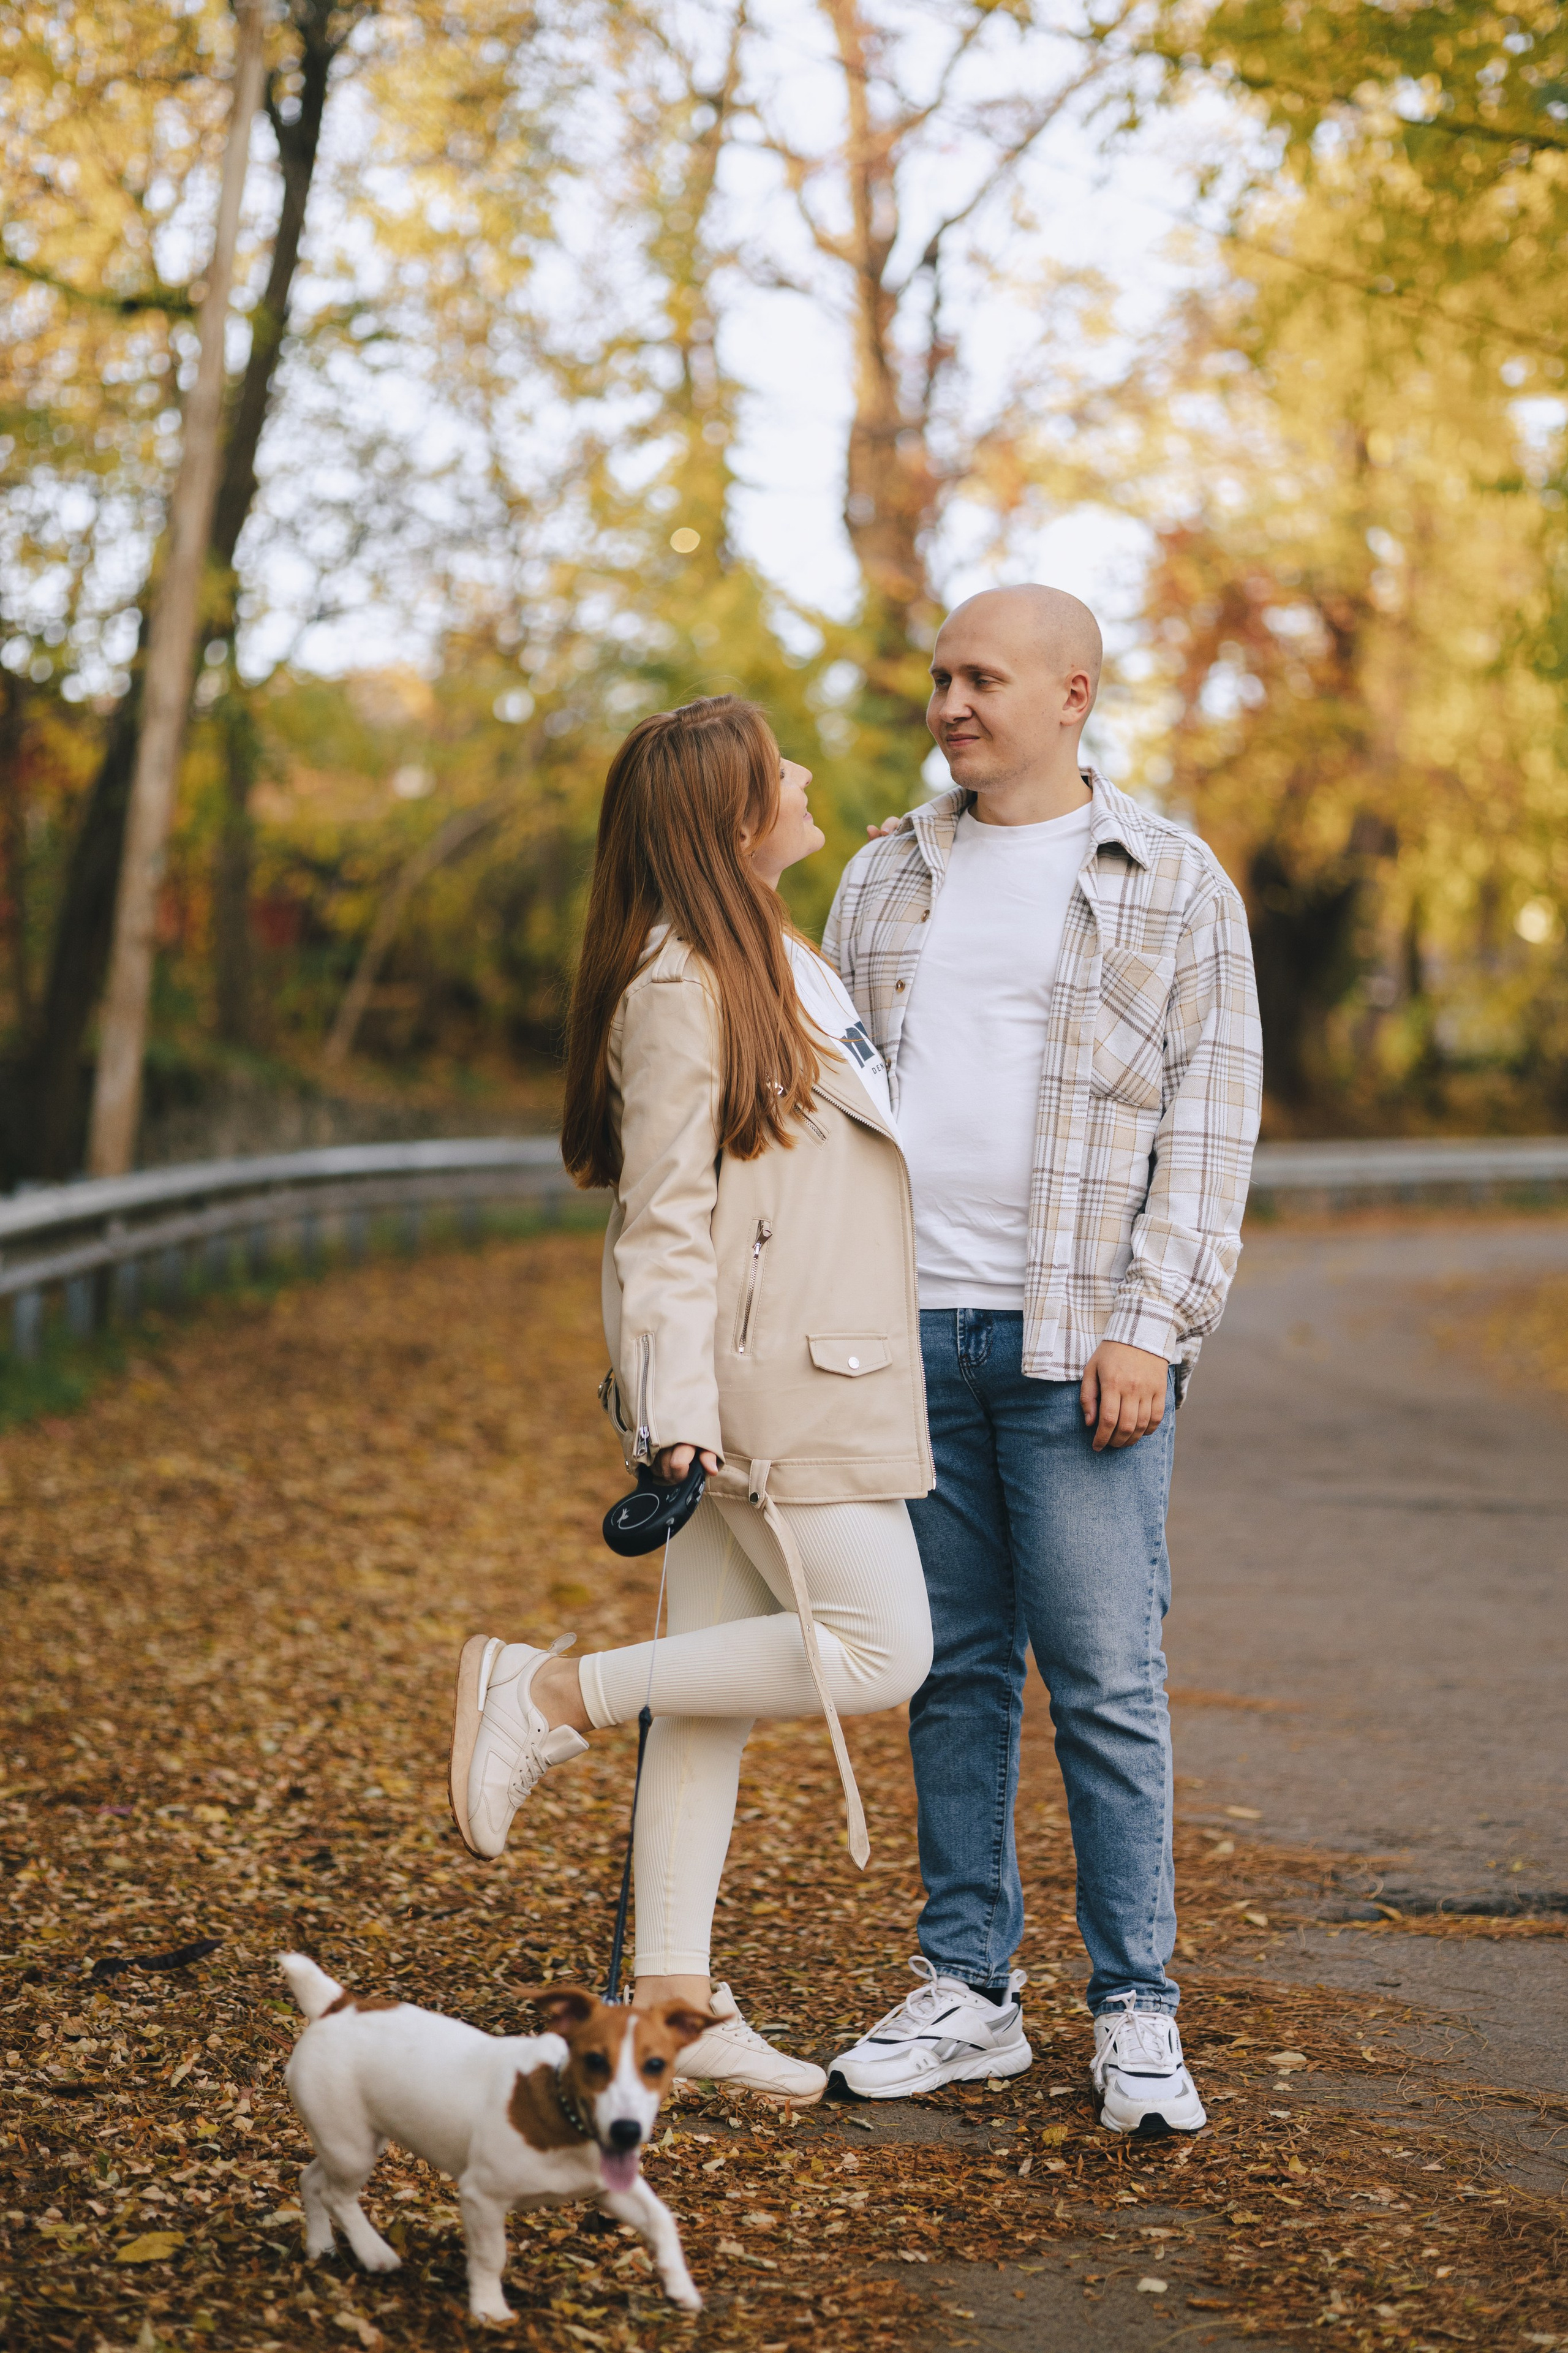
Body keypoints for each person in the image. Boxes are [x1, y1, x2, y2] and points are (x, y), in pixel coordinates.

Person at [447, 693, 935, 2106]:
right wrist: (677, 1406)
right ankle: (546, 1692)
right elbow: (659, 1218)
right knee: (879, 1646)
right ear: (729, 820)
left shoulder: (782, 954)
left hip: (808, 1363)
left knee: (712, 1697)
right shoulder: (680, 982)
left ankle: (673, 2003)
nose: (797, 771)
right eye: (771, 766)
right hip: (761, 1387)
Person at [823, 586, 1262, 2134]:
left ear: (1071, 694)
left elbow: (1208, 1134)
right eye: (940, 674)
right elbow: (828, 1109)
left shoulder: (1171, 883)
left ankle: (1136, 2009)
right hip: (905, 1339)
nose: (949, 701)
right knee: (948, 1675)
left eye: (981, 677)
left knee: (1103, 1684)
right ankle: (968, 1989)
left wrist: (1153, 1323)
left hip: (1079, 1347)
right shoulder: (879, 875)